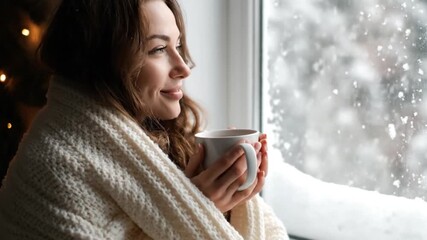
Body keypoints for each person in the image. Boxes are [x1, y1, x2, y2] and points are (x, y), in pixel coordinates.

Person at [0, 0, 289, 239]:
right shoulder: (52, 165)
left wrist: (228, 207)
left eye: (178, 45)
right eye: (159, 49)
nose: (183, 68)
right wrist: (194, 210)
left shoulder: (169, 137)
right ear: (105, 61)